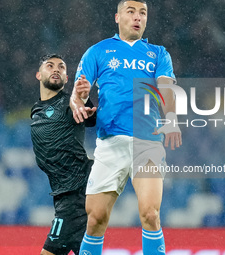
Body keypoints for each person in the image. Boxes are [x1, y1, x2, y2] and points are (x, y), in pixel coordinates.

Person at [70, 1, 182, 254]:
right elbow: (77, 93)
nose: (137, 17)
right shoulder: (98, 52)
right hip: (110, 143)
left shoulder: (158, 53)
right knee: (96, 218)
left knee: (150, 214)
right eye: (131, 12)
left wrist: (171, 116)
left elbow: (166, 87)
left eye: (143, 13)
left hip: (147, 142)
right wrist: (80, 102)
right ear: (117, 17)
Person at [30, 54, 96, 255]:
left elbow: (85, 113)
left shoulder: (70, 102)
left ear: (67, 79)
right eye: (50, 66)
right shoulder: (36, 109)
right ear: (39, 75)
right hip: (63, 193)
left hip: (75, 193)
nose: (56, 69)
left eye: (61, 67)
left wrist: (83, 98)